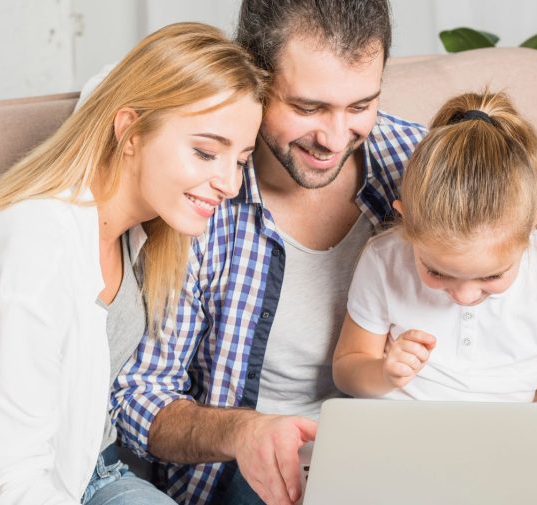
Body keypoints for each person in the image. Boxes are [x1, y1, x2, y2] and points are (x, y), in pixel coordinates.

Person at [0, 22, 266, 505]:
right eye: (205, 152)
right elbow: (11, 484)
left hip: (98, 471)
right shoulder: (32, 254)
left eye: (241, 160)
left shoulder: (135, 227)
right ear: (129, 131)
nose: (230, 184)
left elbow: (114, 88)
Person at [111, 2, 425, 504]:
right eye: (308, 108)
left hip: (402, 452)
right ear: (254, 79)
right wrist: (244, 431)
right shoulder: (197, 198)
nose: (334, 139)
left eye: (360, 106)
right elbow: (139, 397)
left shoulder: (419, 164)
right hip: (247, 475)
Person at [332, 91, 537, 407]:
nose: (465, 296)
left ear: (531, 227)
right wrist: (384, 374)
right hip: (403, 428)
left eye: (491, 276)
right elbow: (347, 369)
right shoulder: (383, 259)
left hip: (514, 432)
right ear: (405, 220)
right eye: (437, 272)